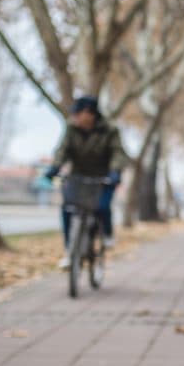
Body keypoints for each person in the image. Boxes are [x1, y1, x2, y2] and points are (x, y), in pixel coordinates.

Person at [45, 96, 129, 268]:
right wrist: (55, 167)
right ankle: (70, 251)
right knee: (67, 209)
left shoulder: (110, 130)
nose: (74, 117)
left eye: (77, 114)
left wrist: (115, 172)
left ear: (89, 114)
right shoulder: (71, 128)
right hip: (78, 176)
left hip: (104, 177)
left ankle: (106, 234)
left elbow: (117, 153)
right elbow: (63, 150)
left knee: (102, 207)